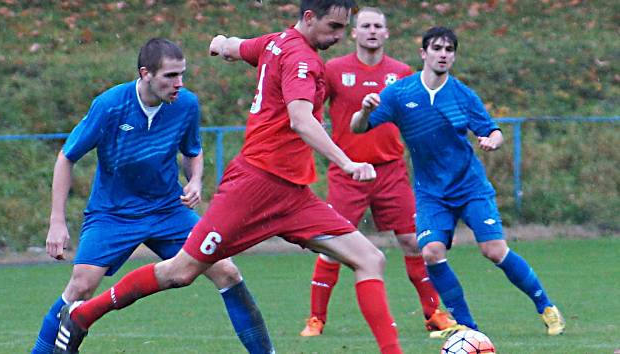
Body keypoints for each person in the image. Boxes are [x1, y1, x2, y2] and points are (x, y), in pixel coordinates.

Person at [54, 2, 404, 354]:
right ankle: (84, 315)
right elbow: (300, 119)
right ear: (309, 18)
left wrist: (221, 44)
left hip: (294, 195)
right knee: (181, 272)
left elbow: (238, 46)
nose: (339, 36)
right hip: (254, 187)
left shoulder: (275, 42)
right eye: (333, 27)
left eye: (344, 28)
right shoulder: (303, 60)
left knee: (370, 258)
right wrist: (347, 163)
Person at [32, 38, 274, 354]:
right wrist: (57, 222)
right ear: (146, 73)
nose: (179, 83)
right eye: (170, 76)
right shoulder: (110, 105)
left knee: (227, 271)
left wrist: (196, 181)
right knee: (81, 285)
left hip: (167, 211)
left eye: (182, 74)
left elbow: (193, 151)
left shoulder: (186, 104)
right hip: (113, 214)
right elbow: (66, 157)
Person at [350, 26, 566, 339]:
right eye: (437, 48)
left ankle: (546, 306)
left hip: (470, 187)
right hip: (431, 193)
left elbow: (493, 131)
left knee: (494, 250)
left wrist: (493, 140)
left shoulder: (463, 95)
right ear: (424, 53)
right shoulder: (400, 93)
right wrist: (365, 110)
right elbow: (358, 128)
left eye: (449, 50)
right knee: (431, 252)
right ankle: (467, 327)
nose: (443, 54)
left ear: (453, 56)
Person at [300, 7, 456, 337]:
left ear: (386, 33)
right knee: (332, 243)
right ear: (354, 32)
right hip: (348, 172)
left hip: (390, 170)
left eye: (378, 26)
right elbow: (309, 110)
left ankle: (433, 313)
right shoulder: (333, 70)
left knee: (414, 241)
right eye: (366, 26)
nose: (372, 31)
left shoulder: (400, 73)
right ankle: (316, 319)